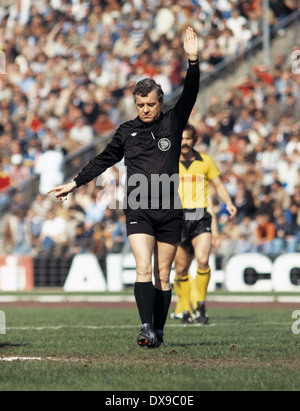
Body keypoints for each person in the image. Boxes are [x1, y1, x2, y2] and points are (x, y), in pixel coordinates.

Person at [48, 27, 200, 348]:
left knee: (163, 274)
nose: (145, 109)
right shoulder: (126, 131)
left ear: (160, 102)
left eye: (151, 103)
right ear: (135, 102)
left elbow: (190, 93)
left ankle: (158, 331)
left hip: (170, 210)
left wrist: (193, 60)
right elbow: (103, 160)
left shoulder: (172, 122)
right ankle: (146, 327)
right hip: (139, 209)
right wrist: (74, 184)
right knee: (143, 267)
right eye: (140, 103)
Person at [173, 124, 237, 325]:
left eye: (188, 139)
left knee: (202, 260)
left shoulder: (205, 161)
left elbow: (218, 185)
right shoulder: (169, 161)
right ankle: (185, 308)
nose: (184, 142)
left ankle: (200, 305)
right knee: (181, 268)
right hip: (176, 217)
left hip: (200, 216)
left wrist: (229, 202)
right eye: (181, 138)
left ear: (194, 140)